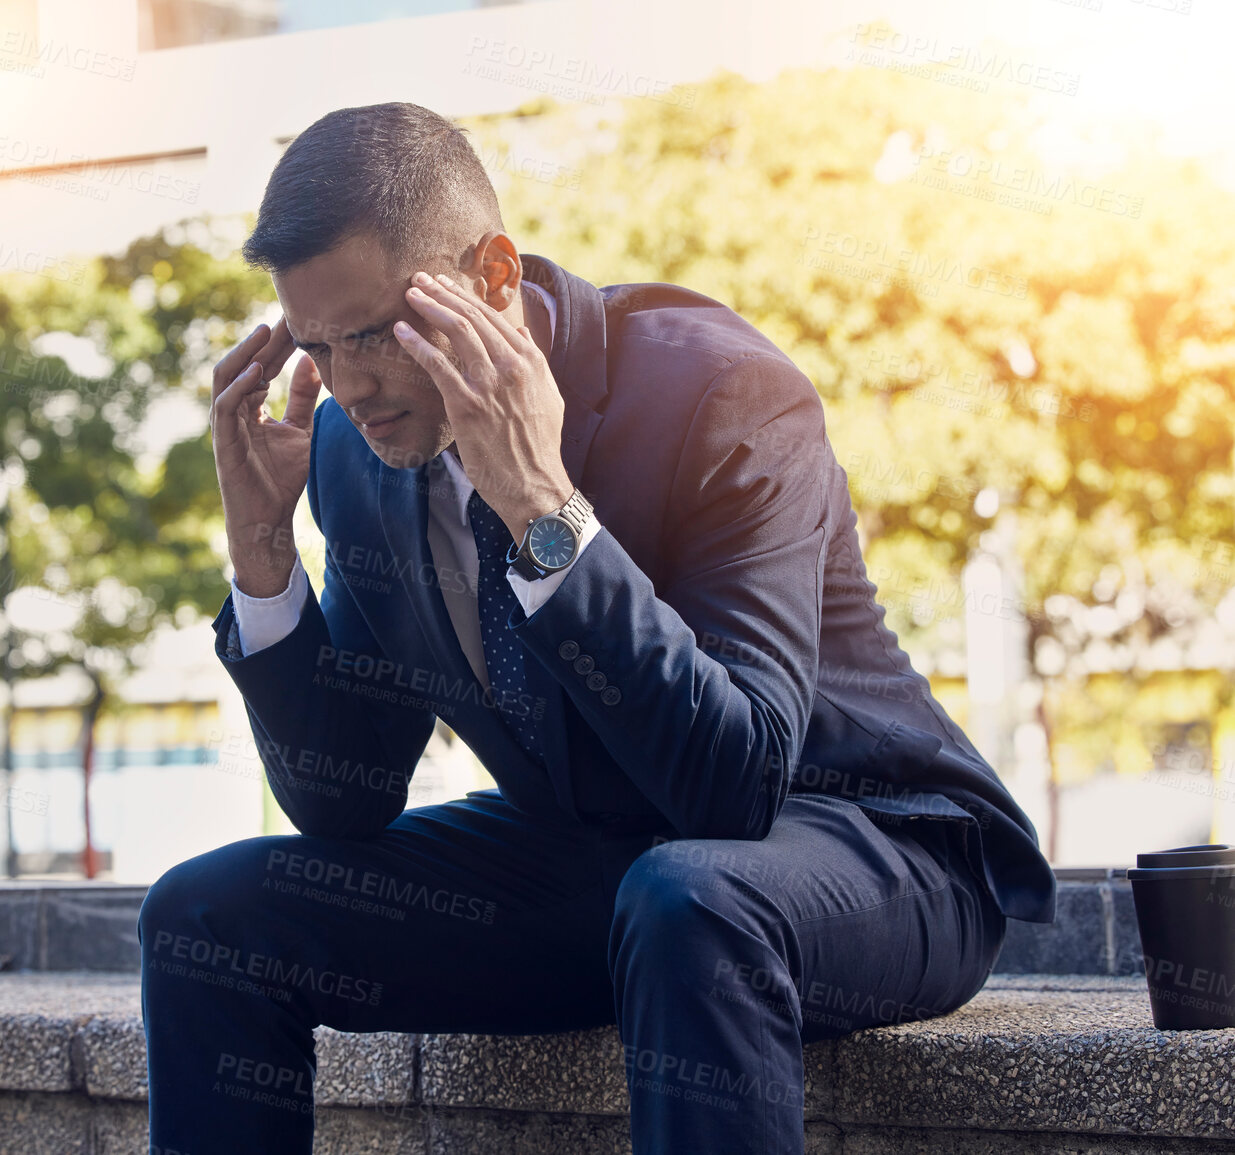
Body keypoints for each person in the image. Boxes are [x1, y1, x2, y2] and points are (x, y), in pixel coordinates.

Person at [139, 101, 1055, 1154]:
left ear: (491, 275)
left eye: (376, 335)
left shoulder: (717, 391)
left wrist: (541, 508)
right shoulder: (358, 448)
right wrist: (262, 557)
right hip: (610, 868)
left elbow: (734, 783)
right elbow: (343, 802)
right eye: (317, 348)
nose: (348, 385)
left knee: (692, 899)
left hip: (874, 848)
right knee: (205, 919)